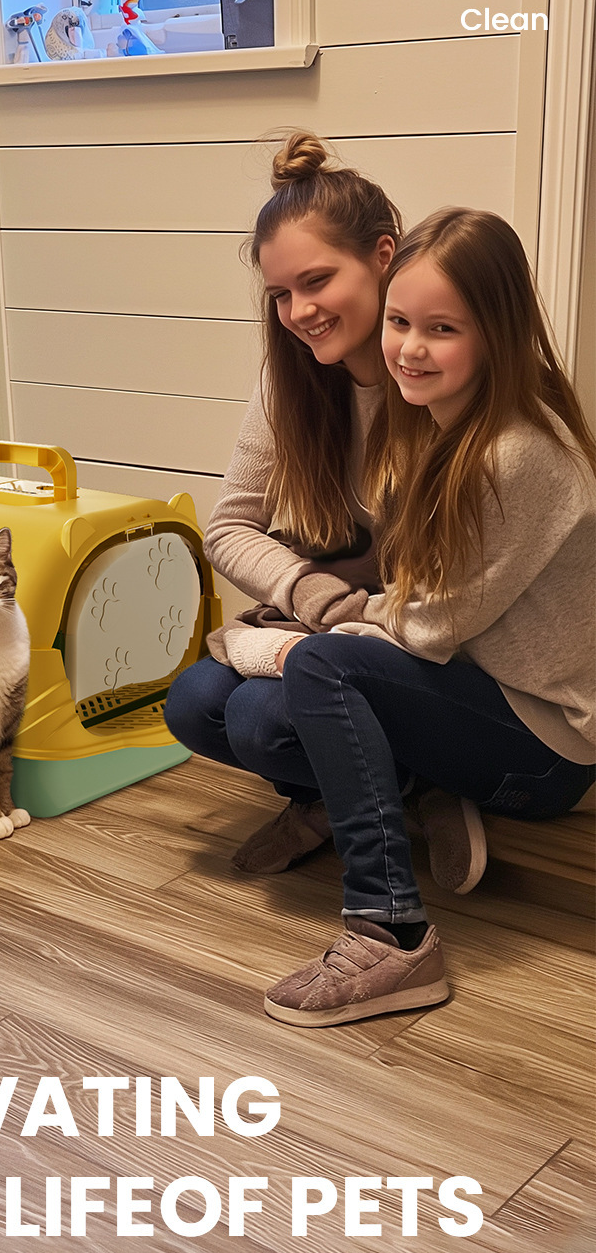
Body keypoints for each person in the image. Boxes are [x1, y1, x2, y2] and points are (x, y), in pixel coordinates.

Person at [259, 206, 596, 1027]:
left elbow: (429, 627)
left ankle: (392, 934)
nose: (409, 347)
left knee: (318, 668)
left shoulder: (515, 453)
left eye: (441, 329)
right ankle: (427, 794)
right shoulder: (442, 423)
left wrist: (281, 639)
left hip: (546, 747)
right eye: (401, 321)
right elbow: (416, 599)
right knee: (273, 695)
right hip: (488, 692)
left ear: (496, 335)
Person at [165, 130, 480, 886]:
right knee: (196, 703)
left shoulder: (440, 376)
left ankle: (436, 778)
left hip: (427, 639)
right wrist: (314, 595)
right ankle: (376, 791)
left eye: (316, 281)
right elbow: (229, 527)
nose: (299, 311)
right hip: (336, 623)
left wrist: (352, 626)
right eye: (281, 294)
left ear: (383, 256)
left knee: (258, 718)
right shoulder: (292, 381)